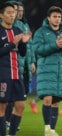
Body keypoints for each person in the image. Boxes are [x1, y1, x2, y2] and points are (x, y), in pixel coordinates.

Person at [32, 6, 62, 136]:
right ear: (48, 18)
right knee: (47, 98)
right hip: (46, 70)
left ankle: (52, 129)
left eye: (59, 17)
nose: (57, 19)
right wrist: (55, 45)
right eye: (54, 17)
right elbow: (37, 49)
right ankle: (46, 129)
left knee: (56, 102)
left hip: (60, 71)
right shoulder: (41, 32)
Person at [0, 2, 31, 136]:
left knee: (20, 106)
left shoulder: (18, 30)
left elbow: (22, 53)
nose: (12, 15)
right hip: (3, 74)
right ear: (1, 15)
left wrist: (23, 43)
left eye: (13, 13)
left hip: (16, 73)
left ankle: (11, 134)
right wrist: (12, 43)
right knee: (2, 107)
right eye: (9, 12)